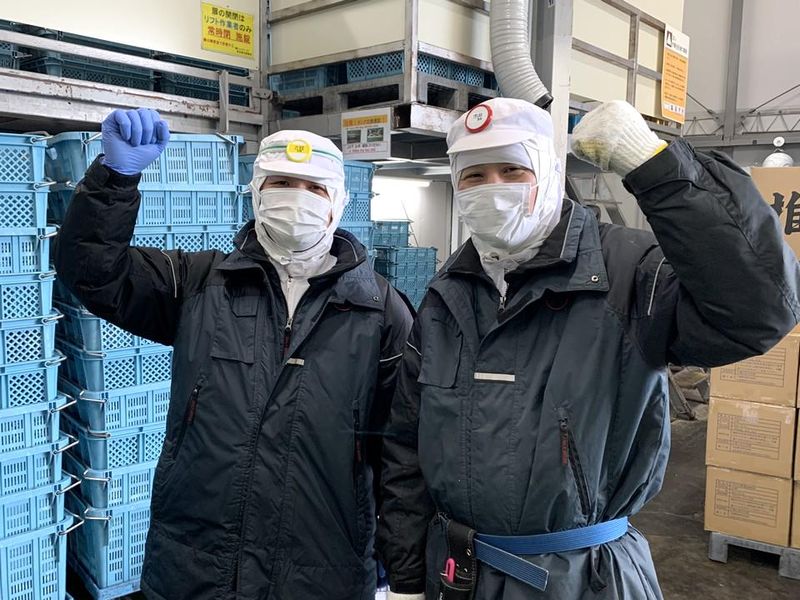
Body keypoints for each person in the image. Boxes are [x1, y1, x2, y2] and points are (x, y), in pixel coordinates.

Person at [377, 97, 800, 600]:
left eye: (512, 170)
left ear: (549, 174)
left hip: (584, 579)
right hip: (458, 577)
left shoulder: (628, 272)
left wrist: (657, 167)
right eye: (474, 176)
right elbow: (407, 448)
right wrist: (406, 581)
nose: (493, 187)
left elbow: (758, 312)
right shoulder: (446, 295)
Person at [54, 108, 413, 600]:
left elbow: (401, 453)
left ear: (338, 202)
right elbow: (93, 272)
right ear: (257, 193)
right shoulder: (200, 283)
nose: (297, 197)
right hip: (195, 568)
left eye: (314, 187)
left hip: (321, 572)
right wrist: (114, 181)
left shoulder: (380, 312)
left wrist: (400, 562)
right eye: (281, 183)